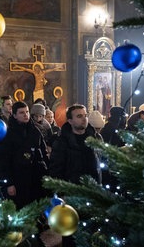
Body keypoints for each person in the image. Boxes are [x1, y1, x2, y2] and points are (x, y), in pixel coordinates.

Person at [49, 104, 102, 247]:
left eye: (85, 115)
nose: (84, 119)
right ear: (70, 121)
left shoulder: (96, 138)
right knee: (71, 233)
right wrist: (61, 193)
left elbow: (103, 165)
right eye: (79, 116)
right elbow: (55, 169)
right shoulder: (62, 142)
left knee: (92, 232)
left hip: (93, 192)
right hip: (71, 194)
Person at [0, 101, 49, 209]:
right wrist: (9, 183)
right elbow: (3, 161)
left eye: (27, 112)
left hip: (35, 178)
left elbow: (43, 153)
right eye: (21, 113)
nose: (26, 115)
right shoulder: (8, 134)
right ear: (14, 115)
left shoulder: (35, 131)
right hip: (17, 178)